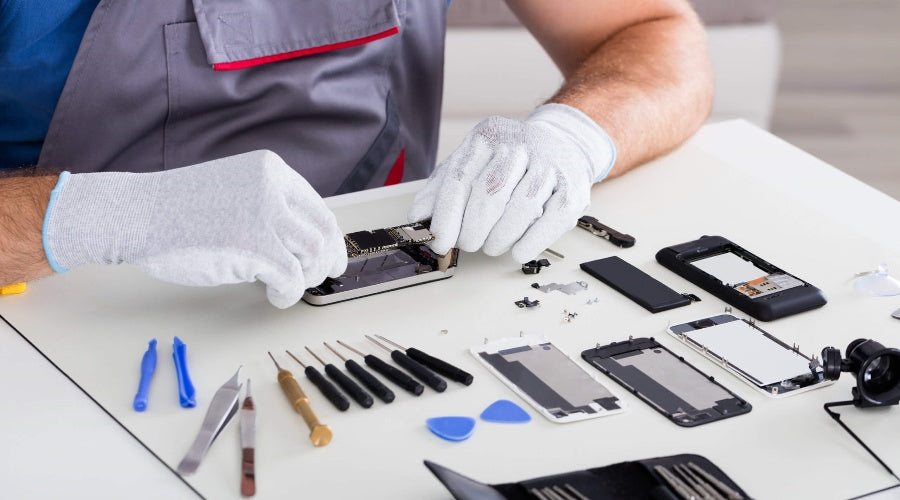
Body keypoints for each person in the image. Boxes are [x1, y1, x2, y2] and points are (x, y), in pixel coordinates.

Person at [0, 0, 712, 308]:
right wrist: (101, 219)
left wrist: (572, 136)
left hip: (386, 289)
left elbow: (653, 29)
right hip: (53, 312)